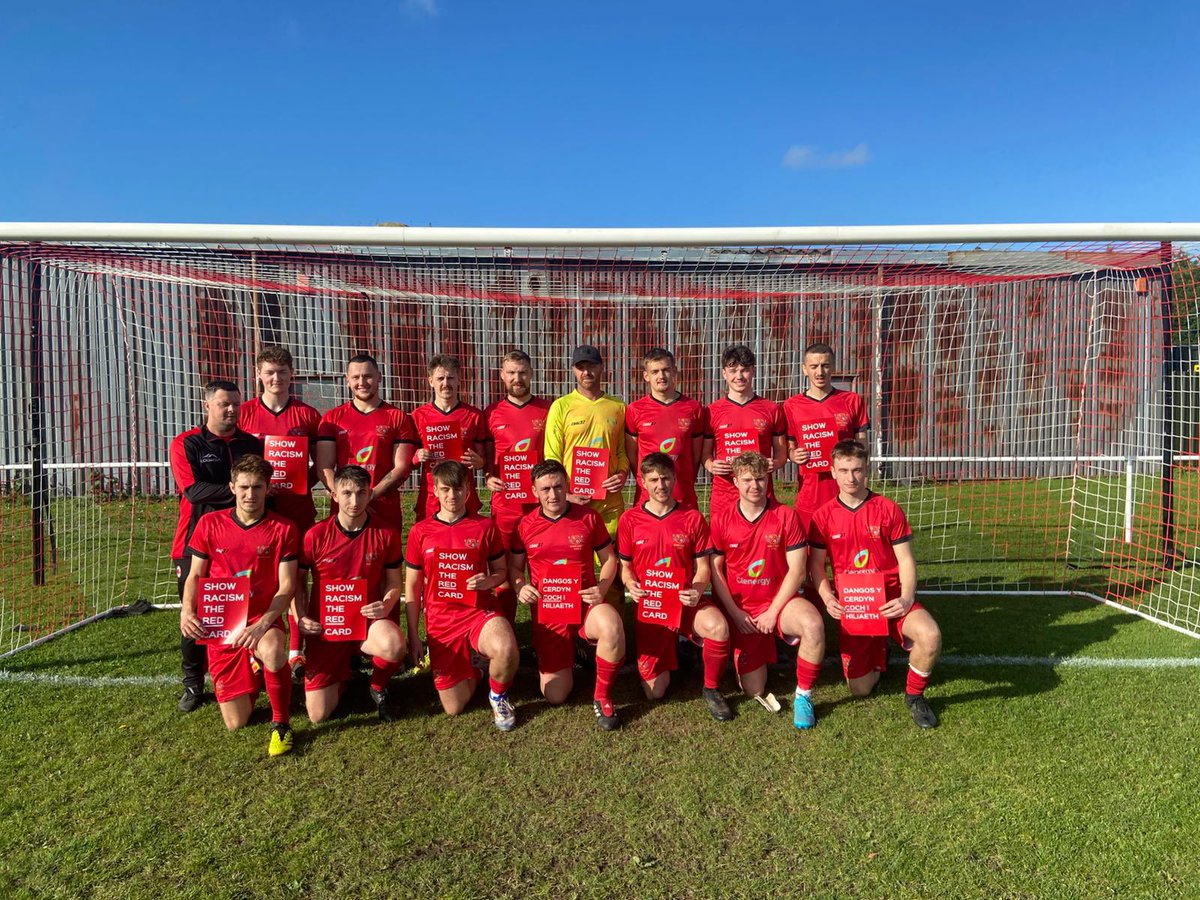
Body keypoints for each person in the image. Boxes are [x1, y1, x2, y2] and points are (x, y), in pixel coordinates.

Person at [808, 440, 942, 728]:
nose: (851, 478)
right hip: (854, 605)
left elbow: (905, 560)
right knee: (860, 689)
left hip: (890, 599)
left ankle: (915, 697)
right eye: (843, 470)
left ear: (867, 470)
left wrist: (906, 598)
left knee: (930, 635)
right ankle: (881, 650)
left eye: (857, 470)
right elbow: (816, 566)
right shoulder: (822, 517)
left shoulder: (887, 509)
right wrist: (827, 598)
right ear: (832, 472)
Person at [179, 455, 299, 756]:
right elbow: (195, 575)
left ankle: (281, 725)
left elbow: (287, 587)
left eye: (257, 487)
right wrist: (187, 610)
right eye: (244, 487)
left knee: (272, 648)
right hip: (223, 623)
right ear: (232, 487)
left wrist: (262, 625)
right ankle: (256, 669)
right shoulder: (209, 523)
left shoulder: (284, 529)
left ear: (268, 488)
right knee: (236, 722)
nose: (250, 494)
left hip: (262, 618)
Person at [710, 452, 825, 730]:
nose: (754, 485)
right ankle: (750, 653)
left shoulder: (786, 516)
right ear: (735, 481)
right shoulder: (721, 519)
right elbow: (715, 572)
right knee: (753, 690)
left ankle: (803, 696)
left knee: (813, 624)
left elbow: (797, 570)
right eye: (747, 479)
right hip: (744, 612)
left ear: (768, 479)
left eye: (760, 479)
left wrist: (774, 611)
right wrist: (736, 614)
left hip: (780, 604)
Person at [509, 460, 625, 730]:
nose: (553, 495)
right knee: (556, 695)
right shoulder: (524, 525)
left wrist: (602, 589)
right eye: (546, 489)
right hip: (551, 613)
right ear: (534, 491)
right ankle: (576, 650)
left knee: (612, 625)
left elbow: (609, 559)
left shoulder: (587, 517)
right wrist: (520, 586)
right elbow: (515, 567)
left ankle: (603, 697)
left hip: (585, 606)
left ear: (567, 485)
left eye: (559, 487)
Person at [169, 379, 263, 713]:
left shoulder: (250, 443)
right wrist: (240, 493)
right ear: (206, 405)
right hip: (194, 541)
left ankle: (249, 671)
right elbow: (193, 492)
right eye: (224, 404)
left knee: (244, 607)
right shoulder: (187, 444)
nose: (231, 410)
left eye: (236, 404)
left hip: (243, 542)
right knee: (194, 614)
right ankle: (193, 683)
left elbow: (260, 487)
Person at [405, 461, 521, 731]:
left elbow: (501, 572)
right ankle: (478, 668)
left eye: (458, 489)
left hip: (478, 611)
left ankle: (499, 696)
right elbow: (412, 586)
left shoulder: (483, 526)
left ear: (468, 490)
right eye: (445, 489)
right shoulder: (420, 532)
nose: (452, 496)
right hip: (441, 619)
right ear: (434, 491)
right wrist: (413, 634)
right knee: (454, 707)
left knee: (506, 648)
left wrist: (487, 581)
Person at [617, 453, 732, 721]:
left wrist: (696, 588)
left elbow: (703, 567)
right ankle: (682, 651)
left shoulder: (691, 518)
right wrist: (631, 584)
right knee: (654, 692)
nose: (661, 485)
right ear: (643, 482)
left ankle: (712, 688)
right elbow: (625, 567)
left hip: (685, 602)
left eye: (666, 478)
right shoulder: (629, 520)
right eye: (654, 479)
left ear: (675, 479)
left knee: (718, 626)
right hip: (653, 606)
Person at [295, 465, 408, 724]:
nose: (354, 501)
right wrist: (300, 616)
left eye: (361, 493)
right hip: (326, 627)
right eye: (346, 493)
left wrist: (386, 603)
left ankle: (377, 685)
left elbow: (394, 582)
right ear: (334, 495)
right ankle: (344, 676)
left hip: (365, 623)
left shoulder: (385, 533)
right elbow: (297, 583)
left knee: (394, 645)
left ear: (370, 494)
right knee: (318, 715)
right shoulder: (315, 535)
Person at [238, 345, 322, 680]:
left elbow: (322, 463)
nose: (276, 378)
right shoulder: (243, 413)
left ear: (292, 375)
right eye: (270, 372)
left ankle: (295, 650)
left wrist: (303, 481)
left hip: (297, 509)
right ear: (258, 374)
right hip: (256, 514)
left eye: (282, 372)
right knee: (255, 576)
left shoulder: (307, 415)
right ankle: (252, 646)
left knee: (298, 577)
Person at [543, 344, 629, 609]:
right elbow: (551, 456)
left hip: (609, 505)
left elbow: (622, 452)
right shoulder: (561, 406)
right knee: (573, 569)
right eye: (581, 367)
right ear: (573, 371)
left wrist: (623, 473)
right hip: (573, 505)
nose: (586, 372)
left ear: (601, 368)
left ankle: (612, 632)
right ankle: (577, 631)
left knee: (611, 569)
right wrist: (565, 494)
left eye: (591, 366)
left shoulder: (617, 406)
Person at [482, 349, 552, 623]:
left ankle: (546, 632)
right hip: (506, 506)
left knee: (543, 571)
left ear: (531, 374)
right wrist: (488, 475)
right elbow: (488, 458)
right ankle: (506, 630)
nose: (517, 378)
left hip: (540, 505)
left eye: (522, 372)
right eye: (511, 372)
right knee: (503, 573)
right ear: (502, 375)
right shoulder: (492, 412)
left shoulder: (548, 409)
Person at [316, 353, 415, 533]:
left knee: (385, 560)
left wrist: (369, 496)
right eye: (355, 377)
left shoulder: (398, 417)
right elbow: (324, 466)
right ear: (347, 380)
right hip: (344, 510)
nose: (361, 382)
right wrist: (344, 497)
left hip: (384, 508)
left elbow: (402, 467)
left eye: (368, 376)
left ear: (379, 378)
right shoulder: (332, 418)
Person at [700, 345, 787, 522]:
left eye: (745, 370)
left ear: (753, 371)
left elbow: (782, 454)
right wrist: (710, 465)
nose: (739, 376)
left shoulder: (771, 409)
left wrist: (775, 463)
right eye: (733, 370)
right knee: (723, 548)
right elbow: (705, 454)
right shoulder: (712, 411)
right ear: (724, 373)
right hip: (724, 496)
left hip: (760, 494)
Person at [783, 342, 869, 520]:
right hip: (810, 492)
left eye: (825, 365)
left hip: (847, 489)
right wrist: (793, 455)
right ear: (805, 369)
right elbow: (789, 447)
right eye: (814, 366)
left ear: (833, 367)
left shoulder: (852, 401)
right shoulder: (792, 405)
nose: (820, 372)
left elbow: (863, 446)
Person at [624, 348, 706, 510]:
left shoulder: (693, 408)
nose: (661, 376)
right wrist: (646, 479)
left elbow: (696, 455)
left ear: (674, 371)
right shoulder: (635, 410)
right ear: (646, 376)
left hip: (683, 496)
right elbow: (632, 455)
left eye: (666, 370)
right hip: (647, 498)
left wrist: (684, 479)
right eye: (655, 372)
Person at [411, 354, 487, 521]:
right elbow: (409, 461)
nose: (446, 383)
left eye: (450, 378)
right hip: (432, 496)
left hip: (463, 495)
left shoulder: (474, 415)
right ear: (431, 381)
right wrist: (417, 457)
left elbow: (483, 460)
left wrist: (479, 462)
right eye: (440, 378)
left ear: (459, 380)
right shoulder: (418, 416)